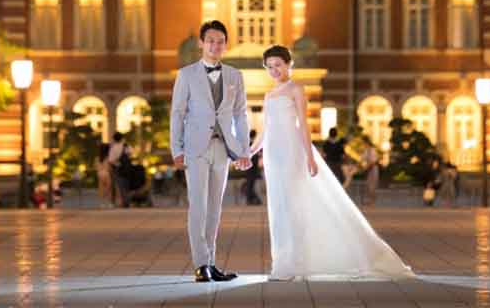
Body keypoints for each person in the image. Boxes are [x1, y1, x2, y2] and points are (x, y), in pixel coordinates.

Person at [250, 44, 412, 281]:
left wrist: (309, 156)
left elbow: (303, 125)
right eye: (270, 66)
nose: (274, 70)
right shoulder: (269, 95)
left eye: (278, 65)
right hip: (273, 156)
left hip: (292, 152)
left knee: (292, 205)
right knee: (278, 207)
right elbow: (266, 131)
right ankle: (283, 262)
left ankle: (293, 263)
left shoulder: (296, 89)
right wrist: (250, 151)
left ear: (288, 65)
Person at [169, 20, 251, 283]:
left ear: (226, 45)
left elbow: (240, 114)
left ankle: (211, 263)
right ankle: (200, 264)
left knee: (215, 209)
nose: (215, 45)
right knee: (198, 207)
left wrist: (243, 150)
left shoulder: (235, 76)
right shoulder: (186, 74)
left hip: (223, 149)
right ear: (202, 43)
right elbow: (177, 114)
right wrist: (176, 149)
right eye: (211, 40)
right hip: (195, 150)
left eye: (220, 41)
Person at [107, 132, 132, 208]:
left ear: (114, 139)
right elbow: (131, 154)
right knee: (126, 185)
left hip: (118, 168)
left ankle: (123, 202)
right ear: (122, 138)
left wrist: (117, 163)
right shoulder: (126, 146)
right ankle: (127, 201)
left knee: (119, 186)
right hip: (127, 168)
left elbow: (111, 160)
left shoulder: (113, 148)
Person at [243, 130, 263, 205]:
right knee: (250, 184)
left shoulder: (248, 143)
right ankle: (249, 199)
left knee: (250, 184)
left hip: (250, 169)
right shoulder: (252, 144)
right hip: (251, 168)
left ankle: (250, 199)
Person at [360, 137, 380, 207]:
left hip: (373, 169)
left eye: (364, 143)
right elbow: (362, 159)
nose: (363, 145)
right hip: (369, 170)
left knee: (373, 186)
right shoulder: (366, 151)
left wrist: (366, 167)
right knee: (368, 186)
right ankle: (370, 201)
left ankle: (372, 202)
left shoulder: (372, 150)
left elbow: (373, 161)